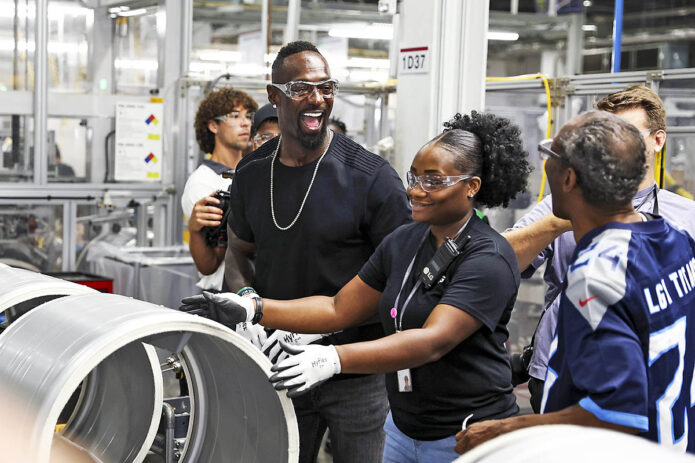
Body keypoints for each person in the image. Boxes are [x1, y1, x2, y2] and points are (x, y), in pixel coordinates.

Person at [181, 110, 533, 463]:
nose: (415, 190)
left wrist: (334, 358)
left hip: (465, 434)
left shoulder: (488, 257)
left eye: (433, 180)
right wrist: (255, 308)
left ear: (471, 186)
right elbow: (338, 308)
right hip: (403, 428)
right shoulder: (405, 241)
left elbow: (432, 341)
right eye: (414, 177)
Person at [456, 110, 695, 454]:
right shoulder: (673, 239)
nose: (545, 166)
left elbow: (615, 412)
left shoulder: (599, 275)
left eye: (550, 157)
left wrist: (508, 429)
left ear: (568, 179)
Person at [222, 41, 412, 463]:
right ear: (274, 96)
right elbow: (238, 252)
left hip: (353, 369)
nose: (317, 99)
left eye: (326, 87)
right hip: (277, 362)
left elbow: (399, 280)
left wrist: (326, 344)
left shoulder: (372, 179)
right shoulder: (253, 173)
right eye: (301, 88)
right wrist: (246, 302)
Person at [505, 85, 695, 411]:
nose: (610, 148)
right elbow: (499, 260)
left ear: (658, 140)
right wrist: (561, 220)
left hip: (657, 378)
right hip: (556, 368)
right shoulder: (560, 206)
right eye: (602, 137)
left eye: (627, 135)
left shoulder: (685, 220)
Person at [181, 87, 257, 291]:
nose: (245, 122)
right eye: (234, 116)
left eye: (248, 116)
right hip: (227, 293)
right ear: (213, 125)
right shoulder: (203, 182)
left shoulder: (254, 173)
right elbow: (209, 263)